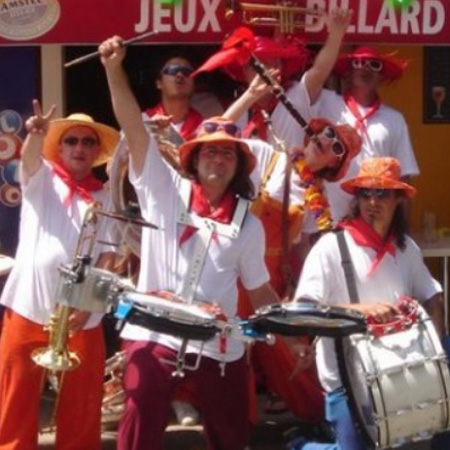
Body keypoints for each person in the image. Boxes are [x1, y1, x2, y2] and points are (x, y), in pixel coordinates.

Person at [99, 36, 284, 450]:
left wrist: (291, 337)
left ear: (237, 166)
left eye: (227, 154)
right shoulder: (162, 189)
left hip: (217, 345)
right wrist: (114, 70)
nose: (217, 160)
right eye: (209, 153)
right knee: (140, 409)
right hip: (156, 335)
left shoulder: (248, 225)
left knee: (233, 432)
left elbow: (259, 290)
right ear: (194, 160)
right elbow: (132, 124)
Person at [290, 157, 449, 450]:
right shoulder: (330, 247)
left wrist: (434, 354)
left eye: (383, 193)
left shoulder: (406, 248)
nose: (373, 201)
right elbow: (304, 311)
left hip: (398, 375)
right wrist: (355, 311)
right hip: (346, 381)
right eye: (366, 193)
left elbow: (433, 297)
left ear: (398, 199)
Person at [0, 100, 120, 450]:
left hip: (81, 316)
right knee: (15, 398)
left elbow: (110, 255)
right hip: (28, 306)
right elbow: (31, 159)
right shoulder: (44, 177)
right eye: (71, 140)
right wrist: (35, 134)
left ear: (97, 151)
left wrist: (88, 306)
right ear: (60, 147)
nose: (79, 147)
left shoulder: (106, 195)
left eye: (87, 142)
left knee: (82, 405)